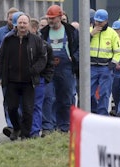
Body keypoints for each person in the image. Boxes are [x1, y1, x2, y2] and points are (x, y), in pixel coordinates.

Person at [0, 13, 47, 140]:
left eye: (25, 23)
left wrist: (34, 70)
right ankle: (16, 127)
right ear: (16, 24)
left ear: (29, 25)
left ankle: (25, 135)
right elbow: (1, 59)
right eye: (20, 23)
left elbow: (42, 58)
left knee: (28, 110)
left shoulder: (36, 40)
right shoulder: (8, 40)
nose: (22, 25)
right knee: (11, 108)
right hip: (12, 81)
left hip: (29, 82)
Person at [40, 5, 79, 133]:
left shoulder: (71, 31)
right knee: (49, 97)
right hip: (49, 69)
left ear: (60, 17)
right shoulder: (44, 32)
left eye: (53, 18)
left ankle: (65, 126)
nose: (51, 21)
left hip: (66, 69)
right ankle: (49, 126)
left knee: (66, 98)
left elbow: (79, 48)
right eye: (49, 18)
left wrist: (74, 59)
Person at [89, 9, 120, 115]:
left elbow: (118, 51)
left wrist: (113, 63)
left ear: (106, 21)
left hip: (106, 68)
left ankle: (102, 114)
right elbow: (81, 45)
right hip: (91, 67)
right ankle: (93, 111)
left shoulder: (112, 34)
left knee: (104, 93)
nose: (98, 24)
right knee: (88, 93)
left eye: (100, 22)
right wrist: (90, 35)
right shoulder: (89, 31)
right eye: (96, 21)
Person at [0, 7, 19, 138]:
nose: (13, 22)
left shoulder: (24, 31)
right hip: (6, 71)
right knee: (8, 100)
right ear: (7, 18)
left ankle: (19, 125)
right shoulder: (0, 33)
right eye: (11, 19)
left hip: (20, 72)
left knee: (20, 100)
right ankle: (11, 125)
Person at [29, 18, 54, 138]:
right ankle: (26, 130)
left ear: (34, 29)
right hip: (24, 80)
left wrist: (45, 78)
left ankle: (34, 132)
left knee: (37, 105)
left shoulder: (44, 45)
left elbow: (49, 63)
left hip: (39, 79)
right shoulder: (20, 42)